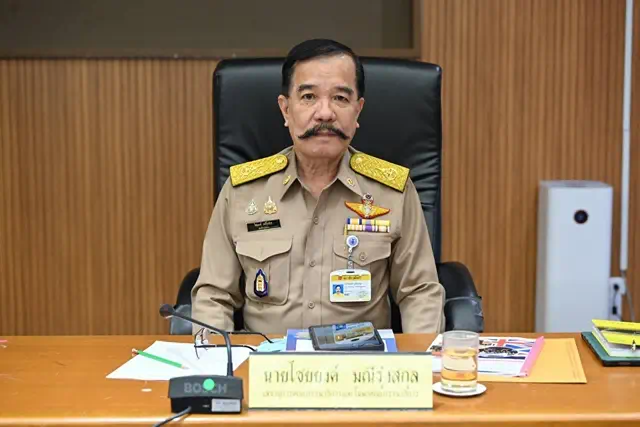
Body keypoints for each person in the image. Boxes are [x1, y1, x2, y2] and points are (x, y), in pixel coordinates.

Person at [191, 39, 445, 335]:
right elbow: (214, 296)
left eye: (340, 98)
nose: (325, 113)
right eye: (309, 97)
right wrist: (216, 356)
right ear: (286, 110)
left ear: (358, 110)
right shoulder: (243, 192)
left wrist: (420, 357)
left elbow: (419, 293)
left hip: (360, 360)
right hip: (266, 361)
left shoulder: (392, 192)